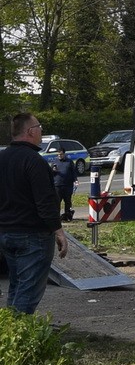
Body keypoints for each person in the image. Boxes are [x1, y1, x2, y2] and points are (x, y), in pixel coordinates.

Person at [0, 113, 69, 313]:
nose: (41, 131)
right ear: (30, 131)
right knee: (28, 291)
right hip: (32, 235)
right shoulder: (34, 161)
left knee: (17, 285)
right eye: (39, 127)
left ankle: (10, 332)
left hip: (6, 233)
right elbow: (45, 201)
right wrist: (58, 231)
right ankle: (19, 338)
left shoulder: (3, 158)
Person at [51, 148, 78, 222]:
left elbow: (73, 172)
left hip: (67, 185)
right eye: (58, 154)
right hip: (57, 185)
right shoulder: (55, 161)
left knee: (67, 201)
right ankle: (57, 217)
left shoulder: (69, 162)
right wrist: (53, 171)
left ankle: (67, 216)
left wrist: (75, 180)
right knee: (57, 202)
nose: (59, 156)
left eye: (61, 154)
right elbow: (50, 173)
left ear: (64, 154)